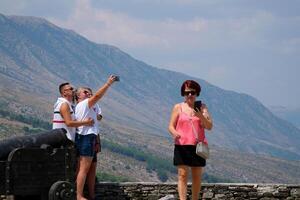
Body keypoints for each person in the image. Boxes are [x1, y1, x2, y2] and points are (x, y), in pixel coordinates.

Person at [168, 80, 213, 200]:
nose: (189, 95)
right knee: (182, 175)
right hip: (181, 145)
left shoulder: (202, 107)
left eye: (192, 92)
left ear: (197, 93)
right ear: (183, 93)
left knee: (196, 176)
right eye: (186, 92)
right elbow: (170, 126)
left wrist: (201, 116)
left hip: (197, 146)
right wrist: (174, 132)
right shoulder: (178, 107)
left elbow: (209, 126)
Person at [75, 75, 117, 200]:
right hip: (85, 137)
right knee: (83, 168)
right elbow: (97, 96)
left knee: (91, 168)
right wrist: (108, 83)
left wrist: (97, 141)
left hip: (92, 137)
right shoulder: (83, 105)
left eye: (89, 92)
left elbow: (98, 118)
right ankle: (78, 196)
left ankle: (91, 195)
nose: (88, 93)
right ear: (78, 96)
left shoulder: (92, 106)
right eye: (85, 92)